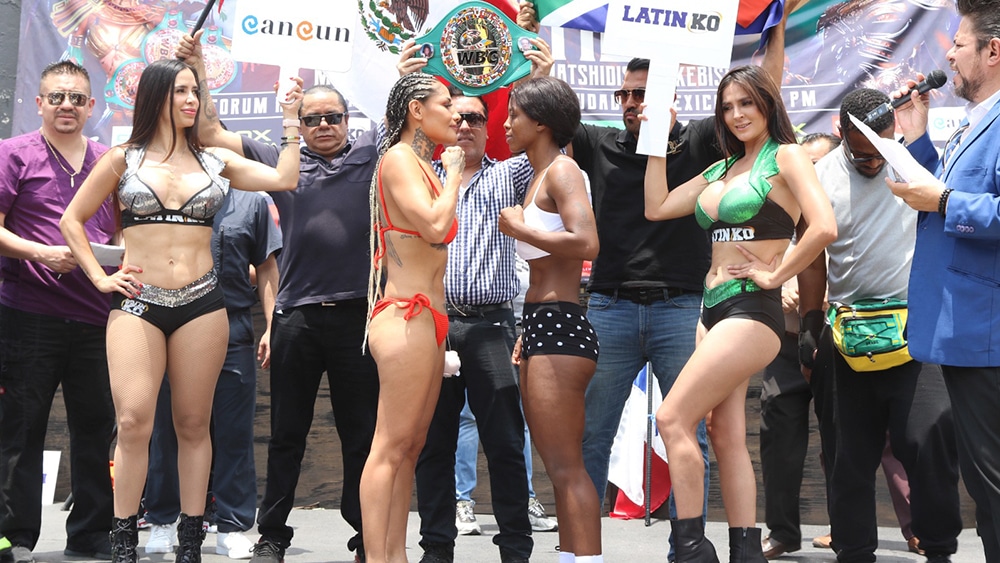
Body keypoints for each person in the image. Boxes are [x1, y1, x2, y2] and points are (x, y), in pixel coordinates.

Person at [516, 5, 789, 534]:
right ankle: (580, 546)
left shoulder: (704, 142)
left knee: (693, 432)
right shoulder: (597, 143)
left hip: (685, 307)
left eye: (643, 93)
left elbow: (766, 89)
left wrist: (774, 23)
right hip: (611, 306)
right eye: (625, 95)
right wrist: (539, 72)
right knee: (589, 435)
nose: (632, 104)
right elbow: (546, 121)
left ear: (668, 97)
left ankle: (688, 546)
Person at [59, 58, 301, 563]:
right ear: (157, 97)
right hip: (137, 303)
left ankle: (190, 544)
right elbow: (71, 221)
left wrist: (293, 117)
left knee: (194, 424)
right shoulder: (123, 159)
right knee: (133, 422)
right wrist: (101, 277)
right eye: (182, 92)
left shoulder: (217, 160)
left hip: (201, 303)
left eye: (196, 91)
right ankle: (125, 541)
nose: (192, 100)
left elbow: (284, 178)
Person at [175, 31, 382, 563]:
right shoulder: (278, 158)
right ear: (299, 123)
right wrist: (197, 66)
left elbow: (417, 119)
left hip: (359, 317)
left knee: (361, 435)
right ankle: (272, 536)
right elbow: (209, 130)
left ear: (347, 118)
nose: (323, 127)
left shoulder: (372, 153)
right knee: (287, 434)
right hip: (295, 319)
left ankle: (366, 536)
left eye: (332, 117)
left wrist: (402, 71)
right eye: (311, 119)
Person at [643, 64, 836, 561]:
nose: (736, 115)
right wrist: (656, 138)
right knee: (722, 433)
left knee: (671, 417)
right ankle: (745, 549)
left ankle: (689, 549)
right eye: (727, 107)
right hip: (711, 309)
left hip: (754, 309)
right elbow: (658, 206)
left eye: (746, 103)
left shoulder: (787, 156)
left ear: (767, 103)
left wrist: (777, 274)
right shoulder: (722, 169)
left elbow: (823, 227)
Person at [394, 37, 555, 563]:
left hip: (491, 327)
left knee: (506, 443)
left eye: (476, 120)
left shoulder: (508, 174)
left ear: (491, 129)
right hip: (430, 326)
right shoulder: (420, 174)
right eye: (456, 116)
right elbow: (387, 143)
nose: (464, 126)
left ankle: (516, 549)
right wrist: (404, 79)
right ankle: (437, 548)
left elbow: (551, 153)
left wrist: (540, 79)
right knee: (432, 444)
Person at [798, 88, 961, 563]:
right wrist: (810, 323)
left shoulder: (912, 163)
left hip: (915, 331)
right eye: (862, 155)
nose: (874, 163)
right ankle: (854, 552)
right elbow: (811, 260)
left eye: (880, 152)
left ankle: (939, 550)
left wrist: (919, 130)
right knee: (847, 459)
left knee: (930, 443)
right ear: (840, 131)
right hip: (846, 331)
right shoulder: (818, 177)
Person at [888, 0, 1000, 557]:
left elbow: (956, 202)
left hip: (987, 331)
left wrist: (948, 199)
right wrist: (916, 138)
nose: (948, 54)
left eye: (958, 43)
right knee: (985, 484)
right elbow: (941, 195)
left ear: (993, 51)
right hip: (961, 331)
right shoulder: (976, 121)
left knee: (993, 484)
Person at [0, 60, 116, 563]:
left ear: (92, 106)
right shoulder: (12, 155)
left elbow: (123, 230)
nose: (66, 105)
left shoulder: (110, 161)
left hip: (98, 315)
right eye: (57, 97)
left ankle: (91, 533)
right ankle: (15, 536)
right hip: (28, 314)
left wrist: (111, 255)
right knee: (20, 429)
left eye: (76, 98)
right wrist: (40, 252)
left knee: (96, 428)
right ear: (39, 103)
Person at [142, 187, 281, 560]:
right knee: (166, 429)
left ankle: (233, 525)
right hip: (173, 323)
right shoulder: (167, 194)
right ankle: (161, 520)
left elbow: (266, 265)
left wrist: (272, 325)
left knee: (234, 431)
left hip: (233, 324)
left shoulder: (251, 202)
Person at [361, 72, 464, 563]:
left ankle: (395, 555)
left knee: (410, 445)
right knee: (390, 445)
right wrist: (458, 173)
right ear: (417, 111)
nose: (457, 114)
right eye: (446, 104)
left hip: (428, 321)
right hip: (405, 314)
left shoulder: (424, 165)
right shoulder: (400, 158)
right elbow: (437, 227)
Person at [499, 76, 601, 563]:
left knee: (566, 467)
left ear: (540, 121)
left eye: (514, 114)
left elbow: (587, 243)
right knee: (555, 466)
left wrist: (521, 228)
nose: (505, 122)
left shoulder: (563, 171)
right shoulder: (536, 174)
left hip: (561, 324)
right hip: (541, 324)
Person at [758, 132, 838, 559]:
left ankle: (846, 529)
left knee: (844, 441)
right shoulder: (776, 208)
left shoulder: (841, 202)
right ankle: (783, 532)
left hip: (839, 340)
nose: (809, 171)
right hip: (784, 342)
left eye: (819, 164)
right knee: (778, 441)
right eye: (804, 163)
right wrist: (784, 285)